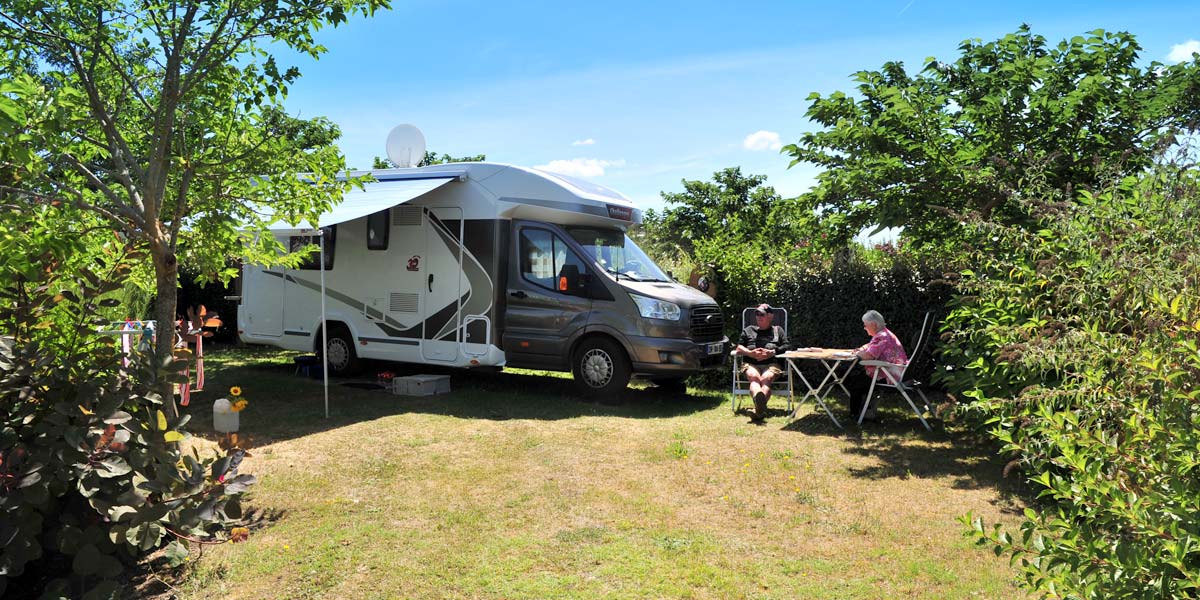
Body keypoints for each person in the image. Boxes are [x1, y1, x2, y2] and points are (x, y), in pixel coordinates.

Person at [847, 310, 908, 422]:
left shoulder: (881, 337)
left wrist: (857, 353)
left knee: (855, 382)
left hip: (890, 378)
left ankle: (856, 415)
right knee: (859, 380)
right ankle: (865, 410)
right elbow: (869, 347)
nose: (864, 328)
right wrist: (860, 350)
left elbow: (868, 356)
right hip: (898, 374)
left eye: (865, 325)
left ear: (873, 325)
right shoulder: (885, 333)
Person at [734, 303, 791, 424]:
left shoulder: (777, 330)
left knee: (766, 378)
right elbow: (739, 347)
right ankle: (759, 410)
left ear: (770, 316)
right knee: (754, 377)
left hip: (772, 364)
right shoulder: (748, 330)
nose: (759, 317)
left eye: (762, 314)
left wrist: (772, 352)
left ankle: (758, 409)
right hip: (751, 363)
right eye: (757, 314)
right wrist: (750, 353)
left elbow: (787, 346)